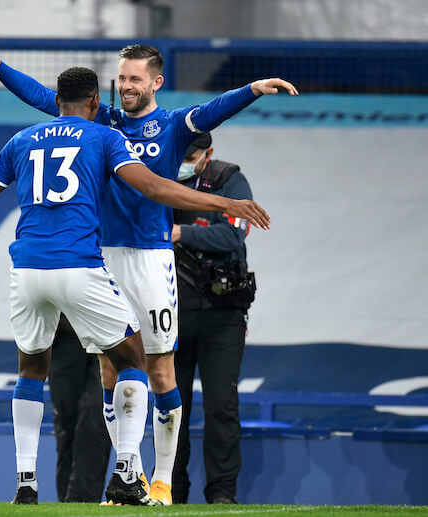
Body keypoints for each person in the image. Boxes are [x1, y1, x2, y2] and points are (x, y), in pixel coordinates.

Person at [0, 31, 297, 505]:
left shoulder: (173, 125)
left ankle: (163, 480)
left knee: (161, 371)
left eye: (135, 78)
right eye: (121, 78)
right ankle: (128, 475)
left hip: (151, 259)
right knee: (110, 372)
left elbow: (212, 112)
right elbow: (43, 96)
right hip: (101, 257)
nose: (126, 86)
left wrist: (252, 89)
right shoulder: (103, 122)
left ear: (157, 81)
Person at [170, 132, 254, 504]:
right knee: (172, 410)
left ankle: (222, 493)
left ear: (209, 154)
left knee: (221, 406)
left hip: (223, 316)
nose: (185, 161)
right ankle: (170, 490)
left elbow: (233, 237)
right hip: (172, 314)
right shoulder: (160, 179)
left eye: (192, 155)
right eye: (182, 154)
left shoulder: (228, 179)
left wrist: (178, 232)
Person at [48, 314, 111, 502]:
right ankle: (67, 504)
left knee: (96, 416)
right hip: (64, 333)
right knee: (67, 424)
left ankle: (81, 501)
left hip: (107, 331)